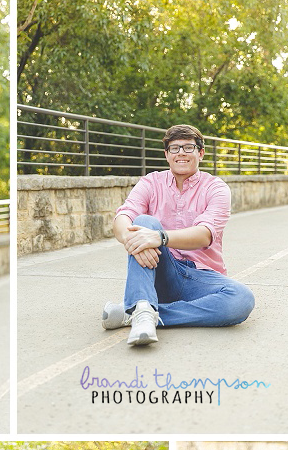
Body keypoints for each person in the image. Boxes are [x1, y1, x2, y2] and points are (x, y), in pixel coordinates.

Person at [102, 123, 255, 346]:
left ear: (200, 153)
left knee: (241, 299)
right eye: (174, 148)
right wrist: (132, 239)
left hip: (200, 277)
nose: (181, 153)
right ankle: (143, 307)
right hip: (160, 269)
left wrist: (160, 237)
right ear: (166, 155)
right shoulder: (151, 182)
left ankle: (140, 313)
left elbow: (204, 234)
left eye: (188, 147)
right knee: (143, 222)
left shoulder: (216, 188)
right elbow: (123, 217)